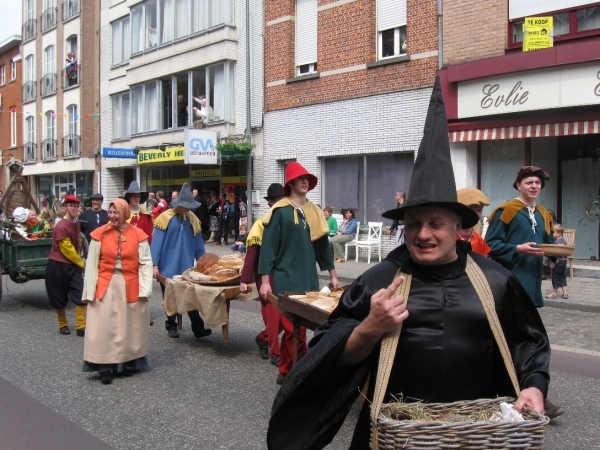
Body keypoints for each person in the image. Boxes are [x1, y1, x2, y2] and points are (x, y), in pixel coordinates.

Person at [267, 79, 551, 449]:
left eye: (435, 223)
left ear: (457, 227)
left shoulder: (495, 280)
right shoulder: (379, 282)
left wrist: (533, 385)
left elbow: (528, 340)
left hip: (477, 435)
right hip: (393, 437)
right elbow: (328, 354)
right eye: (414, 223)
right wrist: (370, 327)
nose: (423, 234)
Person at [258, 162, 340, 385]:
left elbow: (323, 248)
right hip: (284, 278)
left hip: (308, 279)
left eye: (308, 179)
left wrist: (333, 275)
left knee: (298, 330)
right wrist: (265, 281)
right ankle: (303, 374)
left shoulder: (315, 211)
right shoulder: (279, 211)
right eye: (300, 178)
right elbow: (268, 249)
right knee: (295, 330)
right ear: (291, 182)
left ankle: (285, 371)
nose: (305, 182)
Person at [82, 198, 153, 385]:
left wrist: (145, 289)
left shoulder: (138, 235)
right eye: (110, 212)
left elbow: (145, 263)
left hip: (130, 283)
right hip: (106, 283)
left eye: (116, 213)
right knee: (105, 326)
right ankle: (105, 367)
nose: (112, 216)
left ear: (124, 213)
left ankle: (123, 364)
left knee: (127, 327)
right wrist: (89, 291)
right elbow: (91, 265)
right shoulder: (100, 234)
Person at [485, 166, 555, 308]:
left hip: (535, 279)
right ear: (518, 185)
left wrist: (559, 250)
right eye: (529, 183)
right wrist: (517, 248)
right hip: (511, 277)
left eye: (538, 183)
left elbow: (549, 244)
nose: (534, 186)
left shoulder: (543, 213)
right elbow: (490, 245)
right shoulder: (506, 211)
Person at [151, 183, 210, 339]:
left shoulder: (193, 220)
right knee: (169, 298)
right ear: (180, 204)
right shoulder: (164, 219)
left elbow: (198, 245)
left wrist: (203, 263)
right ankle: (171, 326)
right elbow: (156, 244)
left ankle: (198, 328)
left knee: (191, 297)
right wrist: (154, 265)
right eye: (188, 206)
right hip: (167, 267)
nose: (190, 209)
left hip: (186, 267)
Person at [240, 183, 286, 365]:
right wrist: (244, 280)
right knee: (274, 319)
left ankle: (263, 338)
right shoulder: (260, 225)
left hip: (285, 276)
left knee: (287, 318)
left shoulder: (288, 222)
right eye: (279, 200)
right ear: (271, 203)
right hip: (267, 277)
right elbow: (251, 256)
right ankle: (276, 353)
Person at [45, 194, 87, 336]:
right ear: (65, 208)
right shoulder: (61, 226)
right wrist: (81, 263)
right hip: (58, 264)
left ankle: (81, 326)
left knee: (80, 292)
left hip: (72, 266)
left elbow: (77, 243)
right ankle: (63, 324)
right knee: (59, 295)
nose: (74, 209)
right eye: (71, 206)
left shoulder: (76, 223)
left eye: (76, 206)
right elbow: (67, 249)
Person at [456, 187, 491, 256]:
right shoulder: (449, 237)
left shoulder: (479, 240)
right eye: (471, 210)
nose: (475, 214)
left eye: (479, 210)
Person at [547, 224, 569, 300]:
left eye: (554, 232)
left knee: (555, 277)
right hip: (564, 262)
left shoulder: (557, 242)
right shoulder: (563, 240)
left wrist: (553, 263)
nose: (552, 234)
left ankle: (554, 293)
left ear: (559, 233)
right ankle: (565, 293)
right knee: (562, 277)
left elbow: (556, 255)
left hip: (558, 262)